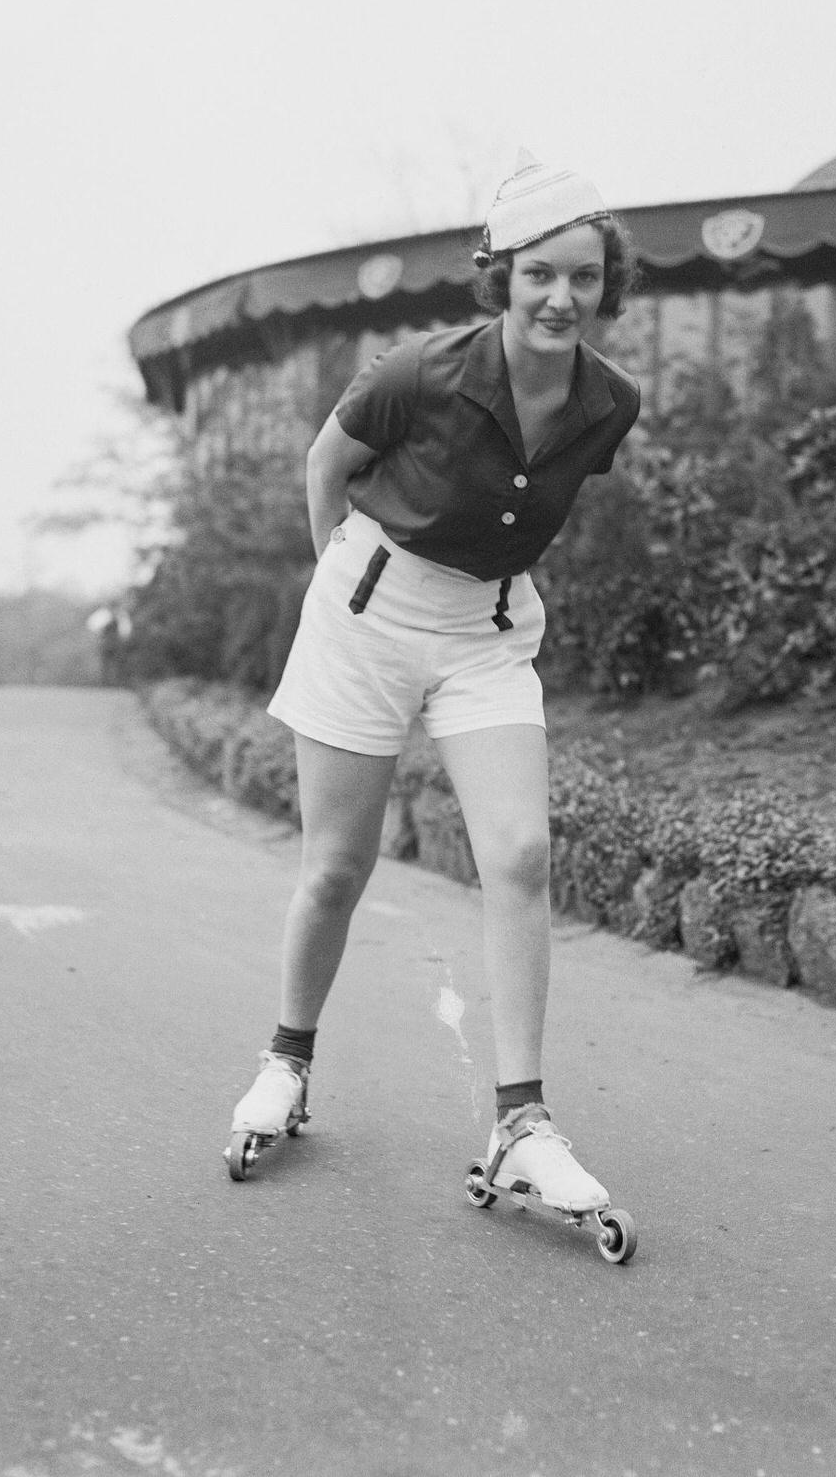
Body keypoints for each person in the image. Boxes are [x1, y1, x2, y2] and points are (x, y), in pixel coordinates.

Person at [230, 151, 642, 1209]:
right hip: (365, 611)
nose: (561, 297)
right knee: (336, 865)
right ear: (498, 272)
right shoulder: (417, 370)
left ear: (606, 285)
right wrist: (344, 595)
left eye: (583, 277)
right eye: (540, 272)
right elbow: (327, 469)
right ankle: (286, 1061)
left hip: (488, 629)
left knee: (521, 852)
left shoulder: (608, 404)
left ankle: (520, 1119)